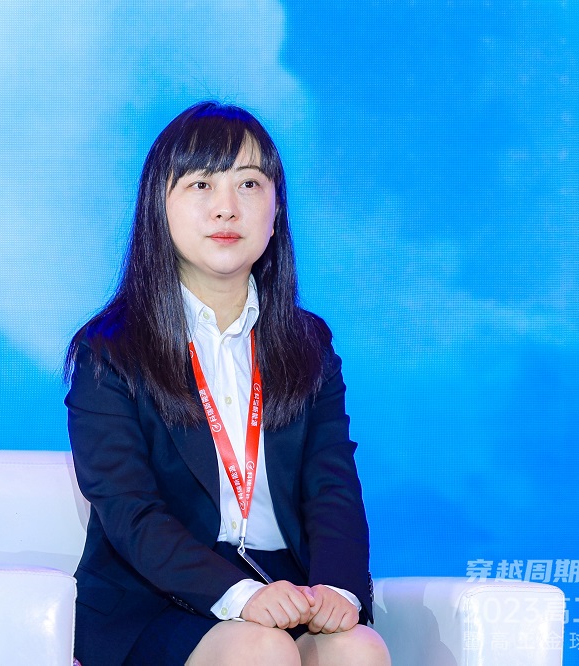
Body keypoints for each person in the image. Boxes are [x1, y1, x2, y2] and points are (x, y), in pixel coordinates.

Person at [65, 101, 390, 666]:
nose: (226, 207)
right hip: (156, 595)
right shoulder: (110, 351)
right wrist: (239, 595)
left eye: (249, 184)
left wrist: (338, 590)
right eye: (201, 184)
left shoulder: (308, 344)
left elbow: (332, 484)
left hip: (286, 584)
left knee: (357, 650)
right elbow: (128, 510)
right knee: (259, 649)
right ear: (158, 206)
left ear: (276, 210)